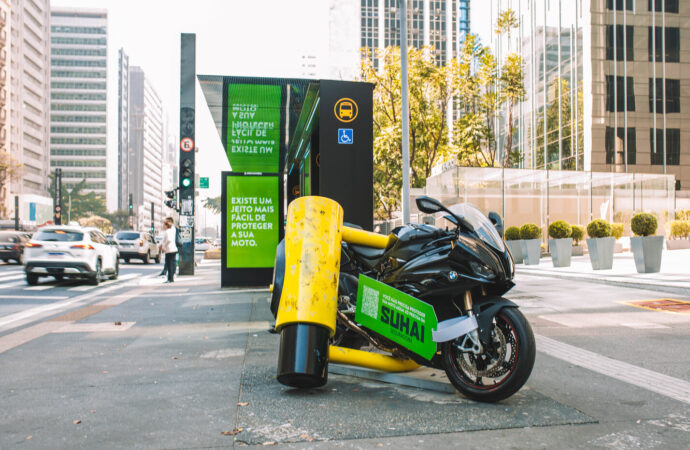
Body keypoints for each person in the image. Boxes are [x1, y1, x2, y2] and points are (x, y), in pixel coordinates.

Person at [160, 217, 177, 283]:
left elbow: (169, 240)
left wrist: (164, 247)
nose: (163, 226)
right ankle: (171, 278)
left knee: (169, 264)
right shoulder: (172, 230)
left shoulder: (168, 231)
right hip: (172, 249)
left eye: (164, 224)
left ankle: (170, 278)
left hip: (169, 250)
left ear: (166, 225)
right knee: (171, 264)